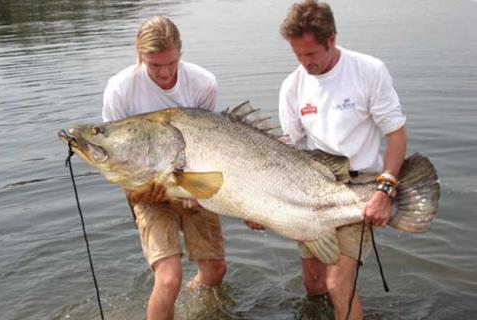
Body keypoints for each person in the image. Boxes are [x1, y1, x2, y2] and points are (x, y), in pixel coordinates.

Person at [247, 1, 406, 319]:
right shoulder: (292, 87)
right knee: (314, 283)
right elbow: (289, 154)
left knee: (337, 283)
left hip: (362, 188)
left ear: (331, 39)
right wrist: (261, 206)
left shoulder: (368, 71)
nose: (305, 63)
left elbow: (396, 136)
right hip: (312, 187)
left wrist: (385, 190)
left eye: (311, 54)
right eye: (297, 55)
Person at [102, 16, 227, 320]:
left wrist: (192, 194)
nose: (165, 72)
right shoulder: (120, 90)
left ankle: (192, 304)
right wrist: (144, 193)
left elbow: (209, 146)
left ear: (180, 53)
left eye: (171, 63)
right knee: (169, 277)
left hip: (193, 181)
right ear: (139, 55)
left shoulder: (202, 83)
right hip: (147, 189)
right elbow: (115, 160)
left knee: (215, 270)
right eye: (154, 65)